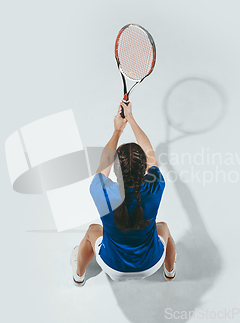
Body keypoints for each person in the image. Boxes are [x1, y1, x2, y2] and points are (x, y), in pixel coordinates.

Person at [70, 101, 177, 286]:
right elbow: (150, 153)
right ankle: (170, 272)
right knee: (164, 228)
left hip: (113, 267)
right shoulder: (154, 186)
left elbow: (104, 160)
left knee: (92, 231)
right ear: (144, 169)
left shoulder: (101, 191)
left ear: (114, 170)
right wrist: (132, 119)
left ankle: (78, 277)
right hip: (151, 264)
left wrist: (118, 130)